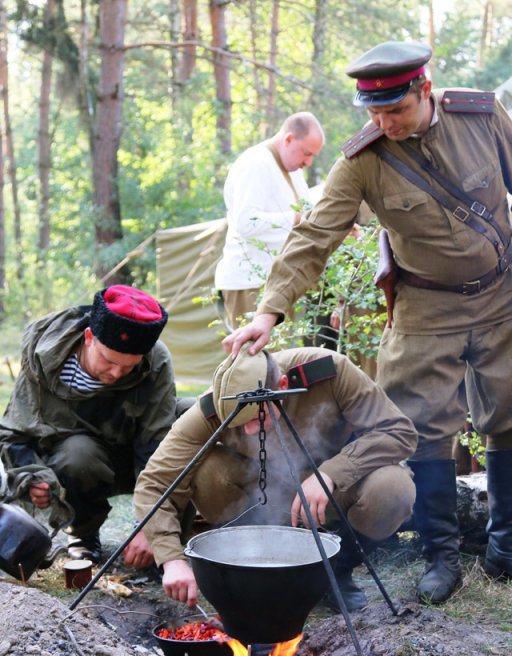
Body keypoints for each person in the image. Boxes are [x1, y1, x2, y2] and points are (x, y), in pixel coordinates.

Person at [223, 40, 512, 604]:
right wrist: (268, 310)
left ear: (424, 90)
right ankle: (441, 557)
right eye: (374, 113)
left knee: (510, 414)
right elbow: (314, 236)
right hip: (426, 306)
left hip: (501, 294)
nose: (385, 122)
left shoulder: (481, 116)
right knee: (422, 424)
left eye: (396, 110)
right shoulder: (362, 160)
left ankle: (505, 547)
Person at [133, 344, 417, 612]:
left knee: (392, 488)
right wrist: (171, 559)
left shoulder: (329, 373)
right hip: (260, 494)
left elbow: (399, 432)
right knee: (207, 470)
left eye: (255, 420)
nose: (247, 431)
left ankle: (334, 573)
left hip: (331, 494)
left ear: (282, 387)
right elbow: (155, 481)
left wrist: (331, 473)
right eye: (237, 424)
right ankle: (253, 567)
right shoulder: (212, 407)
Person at [0, 284, 183, 567]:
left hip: (131, 453)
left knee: (189, 423)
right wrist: (35, 479)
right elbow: (15, 433)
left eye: (128, 367)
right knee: (78, 453)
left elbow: (159, 444)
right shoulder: (46, 354)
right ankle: (83, 535)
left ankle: (169, 545)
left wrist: (153, 527)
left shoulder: (155, 359)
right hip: (75, 461)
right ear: (88, 337)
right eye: (109, 361)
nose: (115, 373)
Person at [214, 112, 325, 330]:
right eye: (306, 153)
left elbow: (308, 211)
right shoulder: (255, 164)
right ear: (288, 139)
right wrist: (296, 219)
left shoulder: (291, 168)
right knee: (256, 362)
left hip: (279, 284)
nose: (309, 162)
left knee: (283, 361)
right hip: (250, 285)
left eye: (313, 156)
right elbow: (247, 223)